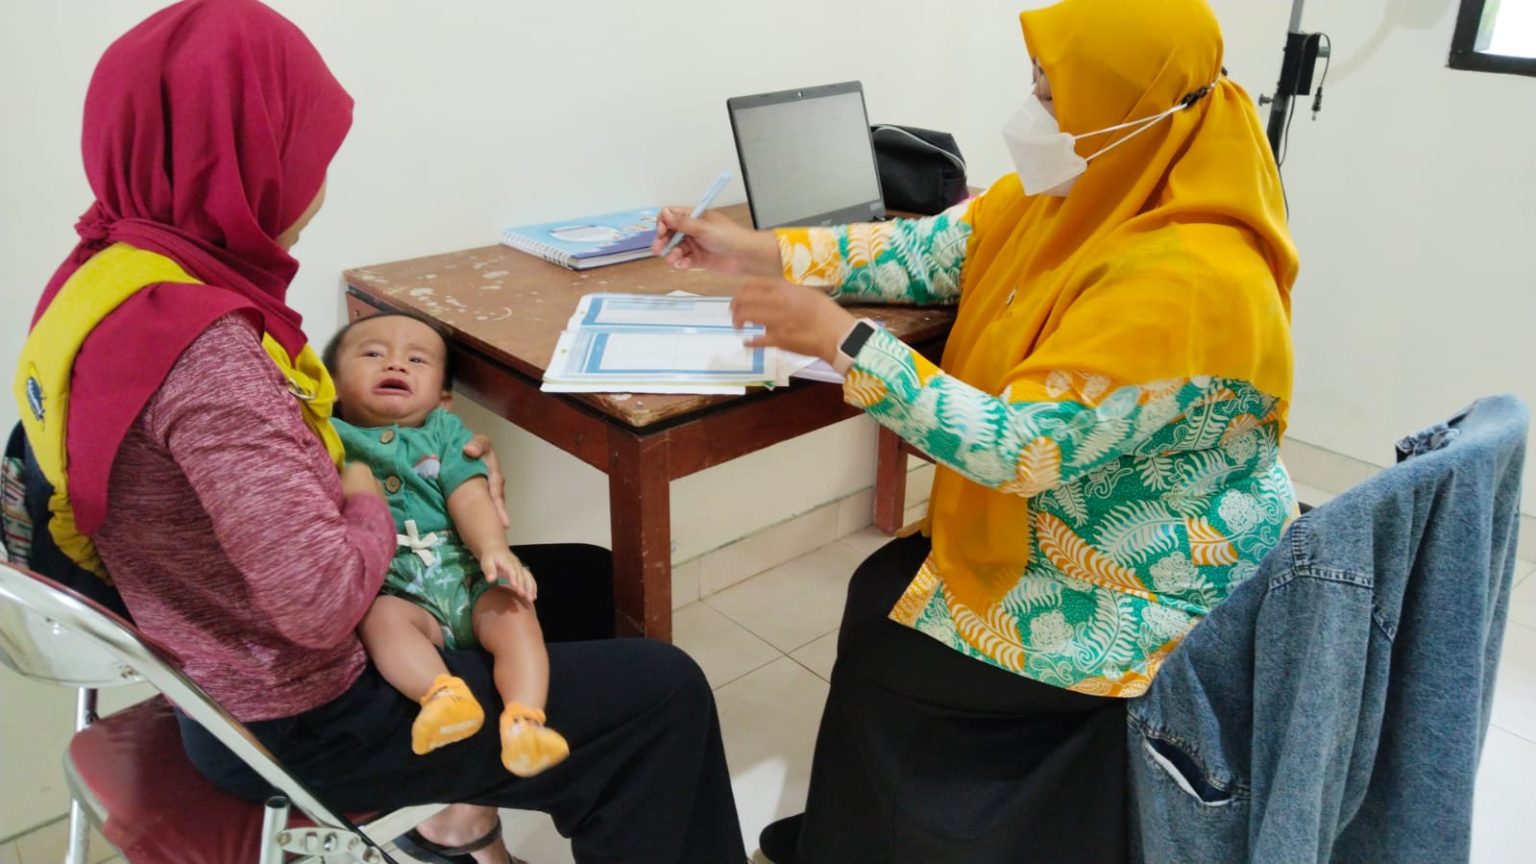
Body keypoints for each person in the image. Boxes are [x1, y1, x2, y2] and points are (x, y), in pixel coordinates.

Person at [15, 2, 744, 862]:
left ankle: (457, 820)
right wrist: (368, 497)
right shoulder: (204, 355)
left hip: (218, 664)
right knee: (664, 695)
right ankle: (476, 803)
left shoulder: (109, 280)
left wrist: (418, 456)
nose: (318, 182)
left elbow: (244, 478)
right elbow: (319, 598)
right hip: (299, 716)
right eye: (308, 152)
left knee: (585, 583)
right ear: (248, 162)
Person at [651, 0, 1297, 860]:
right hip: (1076, 521)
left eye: (1052, 95)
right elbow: (923, 252)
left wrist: (844, 341)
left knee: (887, 623)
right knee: (881, 594)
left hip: (1144, 583)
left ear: (1125, 109)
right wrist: (751, 249)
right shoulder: (1085, 191)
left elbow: (1019, 448)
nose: (1030, 112)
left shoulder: (1191, 279)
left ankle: (876, 837)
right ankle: (856, 825)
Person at [325, 312, 568, 776]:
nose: (395, 364)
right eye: (373, 353)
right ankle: (441, 695)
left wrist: (494, 548)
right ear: (331, 385)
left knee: (516, 611)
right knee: (380, 620)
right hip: (398, 592)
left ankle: (524, 719)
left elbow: (470, 494)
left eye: (417, 359)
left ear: (443, 398)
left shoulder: (444, 432)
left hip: (468, 577)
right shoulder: (330, 438)